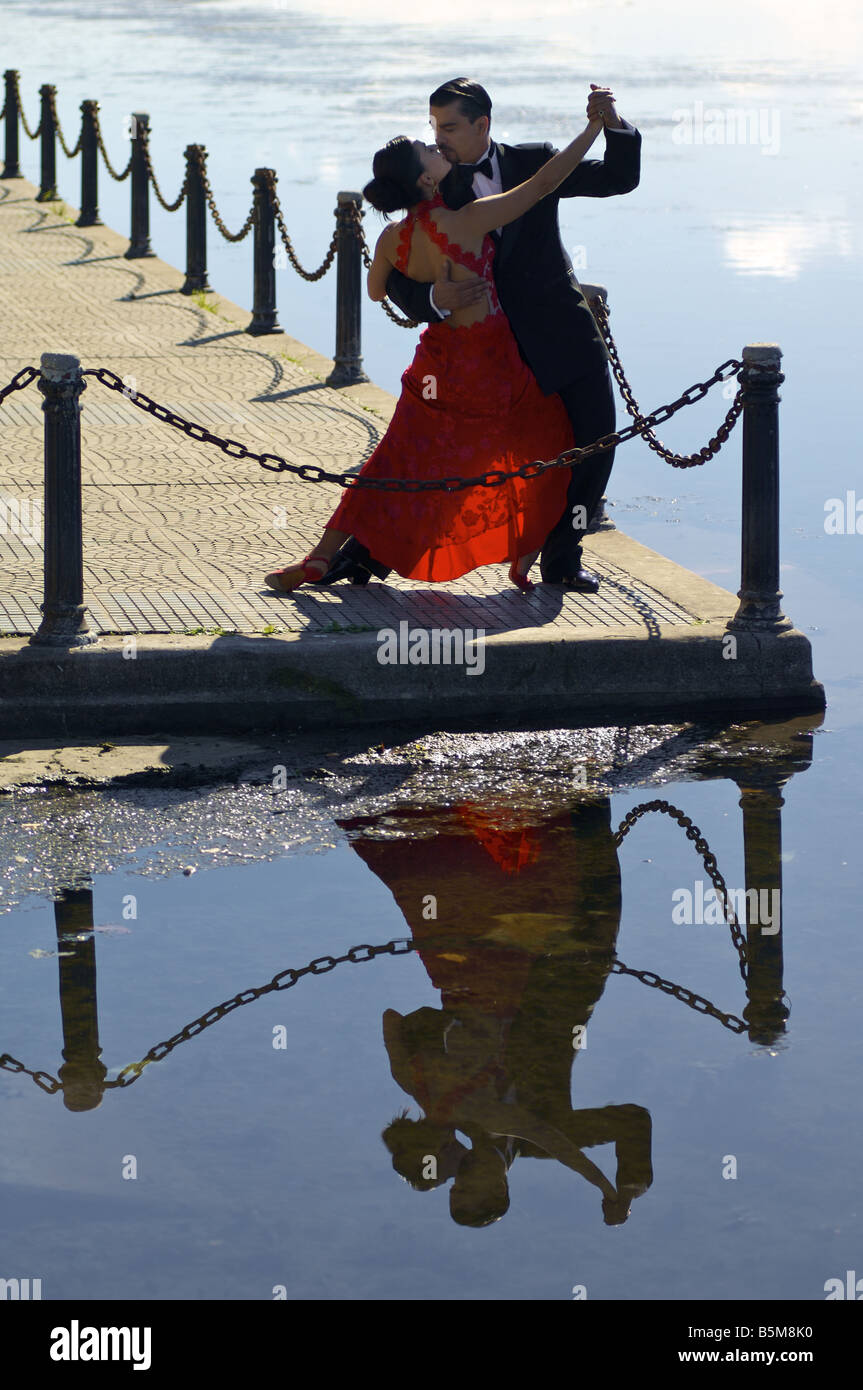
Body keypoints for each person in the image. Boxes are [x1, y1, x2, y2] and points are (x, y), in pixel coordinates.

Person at [321, 77, 641, 593]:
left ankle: (564, 556)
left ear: (482, 125)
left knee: (595, 442)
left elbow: (617, 179)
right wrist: (432, 302)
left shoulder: (534, 159)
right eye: (433, 127)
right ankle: (367, 555)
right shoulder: (430, 184)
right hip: (487, 352)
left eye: (448, 126)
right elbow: (399, 274)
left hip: (562, 330)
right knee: (444, 459)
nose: (439, 137)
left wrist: (613, 126)